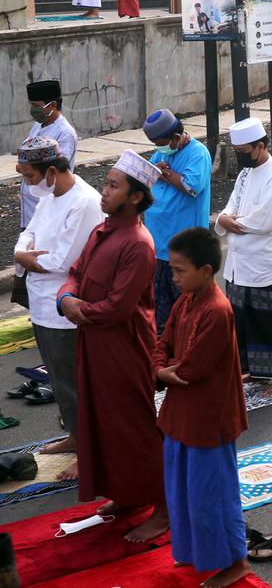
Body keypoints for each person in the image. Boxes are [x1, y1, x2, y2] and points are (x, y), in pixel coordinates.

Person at [57, 150, 167, 542]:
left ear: (136, 196)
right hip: (95, 344)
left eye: (113, 186)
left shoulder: (139, 244)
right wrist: (66, 298)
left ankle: (162, 508)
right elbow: (75, 272)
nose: (103, 192)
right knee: (105, 425)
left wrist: (78, 311)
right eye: (106, 184)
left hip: (124, 350)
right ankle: (128, 495)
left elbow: (119, 307)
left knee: (134, 430)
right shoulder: (103, 230)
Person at [152, 228, 249, 588]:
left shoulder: (217, 311)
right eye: (173, 270)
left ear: (206, 270)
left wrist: (164, 369)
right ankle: (199, 554)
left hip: (210, 419)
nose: (173, 278)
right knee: (183, 491)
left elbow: (192, 368)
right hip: (181, 415)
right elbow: (162, 344)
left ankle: (236, 561)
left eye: (180, 271)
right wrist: (162, 369)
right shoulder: (185, 302)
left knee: (213, 496)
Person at [13, 137, 103, 475]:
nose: (28, 183)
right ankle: (75, 436)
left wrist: (28, 257)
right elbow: (28, 234)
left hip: (64, 309)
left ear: (52, 171)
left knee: (75, 383)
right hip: (41, 304)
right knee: (59, 379)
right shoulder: (50, 196)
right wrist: (24, 254)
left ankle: (91, 451)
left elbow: (66, 259)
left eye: (31, 176)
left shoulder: (84, 203)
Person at [215, 118, 272, 397]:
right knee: (243, 318)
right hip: (240, 262)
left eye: (243, 151)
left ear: (260, 146)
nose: (240, 156)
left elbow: (264, 221)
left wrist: (230, 222)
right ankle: (257, 370)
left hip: (265, 261)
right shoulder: (245, 174)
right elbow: (230, 207)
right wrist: (226, 219)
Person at [143, 108, 212, 333]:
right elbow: (146, 174)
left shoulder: (198, 153)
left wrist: (165, 173)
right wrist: (155, 169)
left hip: (186, 248)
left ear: (176, 138)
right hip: (159, 247)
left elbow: (191, 187)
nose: (159, 148)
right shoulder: (162, 153)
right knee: (162, 314)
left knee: (187, 313)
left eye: (161, 143)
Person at [22, 80, 78, 229]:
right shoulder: (38, 126)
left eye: (36, 106)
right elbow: (24, 156)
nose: (33, 111)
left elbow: (57, 170)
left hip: (49, 210)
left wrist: (25, 167)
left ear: (52, 105)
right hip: (31, 210)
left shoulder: (64, 133)